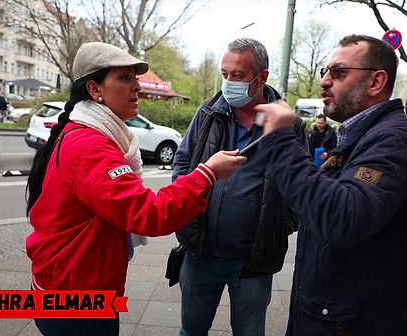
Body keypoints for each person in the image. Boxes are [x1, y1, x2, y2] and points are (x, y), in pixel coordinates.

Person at [25, 42, 246, 336]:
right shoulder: (91, 146)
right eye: (124, 78)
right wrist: (205, 174)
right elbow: (149, 214)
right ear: (94, 89)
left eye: (135, 78)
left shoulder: (84, 134)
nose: (136, 87)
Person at [254, 35, 407, 335]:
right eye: (325, 72)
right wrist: (406, 279)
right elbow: (385, 221)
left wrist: (280, 140)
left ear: (376, 82)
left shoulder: (393, 140)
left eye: (338, 72)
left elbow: (342, 218)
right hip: (337, 312)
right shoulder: (368, 135)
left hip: (346, 322)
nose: (325, 81)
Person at [172, 38, 308, 336]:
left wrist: (277, 227)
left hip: (253, 264)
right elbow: (182, 165)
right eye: (225, 74)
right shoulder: (208, 113)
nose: (229, 82)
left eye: (238, 76)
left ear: (262, 77)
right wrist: (185, 213)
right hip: (200, 254)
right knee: (190, 330)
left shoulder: (288, 124)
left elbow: (301, 187)